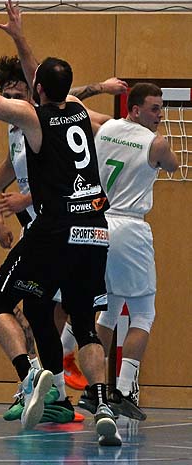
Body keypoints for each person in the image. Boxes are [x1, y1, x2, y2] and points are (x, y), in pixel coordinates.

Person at [0, 6, 121, 446]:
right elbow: (41, 79)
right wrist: (19, 37)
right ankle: (101, 402)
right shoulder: (78, 110)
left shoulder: (33, 119)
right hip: (95, 229)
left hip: (55, 229)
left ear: (36, 90)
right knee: (84, 323)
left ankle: (30, 374)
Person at [0, 56, 128, 397]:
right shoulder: (16, 128)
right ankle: (54, 390)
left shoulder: (42, 119)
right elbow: (12, 167)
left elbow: (57, 176)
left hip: (56, 227)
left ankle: (42, 380)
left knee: (22, 306)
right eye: (6, 96)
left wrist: (101, 88)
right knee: (40, 311)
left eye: (18, 94)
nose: (12, 101)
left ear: (33, 93)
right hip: (46, 226)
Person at [89, 83, 178, 420]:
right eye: (154, 108)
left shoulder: (106, 127)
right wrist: (156, 142)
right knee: (143, 313)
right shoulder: (156, 143)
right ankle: (124, 389)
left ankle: (94, 388)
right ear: (136, 109)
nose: (160, 115)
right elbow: (172, 165)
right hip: (129, 227)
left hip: (99, 225)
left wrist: (97, 88)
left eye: (161, 108)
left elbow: (71, 103)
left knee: (109, 310)